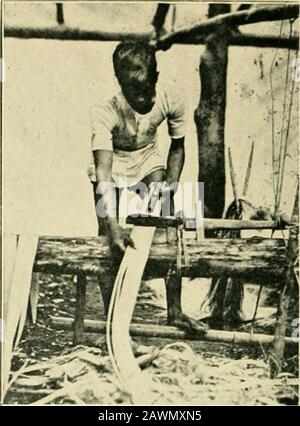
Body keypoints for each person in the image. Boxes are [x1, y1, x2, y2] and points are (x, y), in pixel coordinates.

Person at [88, 41, 207, 335]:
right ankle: (111, 321)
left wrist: (170, 188)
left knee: (170, 221)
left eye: (147, 88)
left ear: (156, 75)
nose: (143, 99)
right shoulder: (104, 108)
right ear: (119, 81)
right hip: (113, 161)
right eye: (134, 92)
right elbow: (103, 169)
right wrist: (114, 223)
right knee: (107, 233)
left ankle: (175, 310)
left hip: (147, 157)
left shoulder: (172, 95)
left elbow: (177, 146)